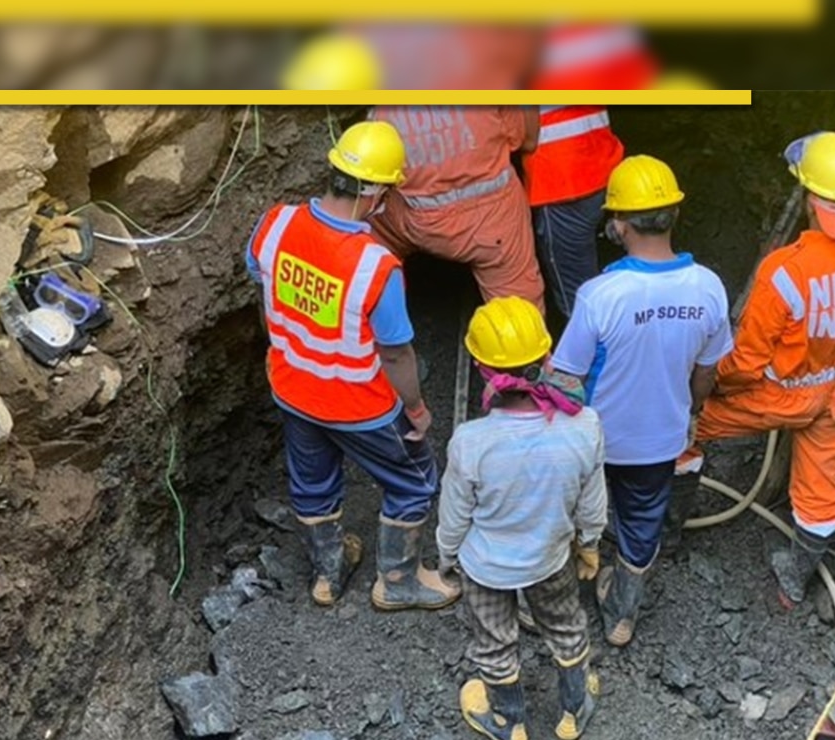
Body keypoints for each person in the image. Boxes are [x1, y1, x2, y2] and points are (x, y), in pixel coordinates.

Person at [681, 131, 835, 611]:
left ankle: (666, 535)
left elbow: (746, 363)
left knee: (678, 431)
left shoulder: (784, 271)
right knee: (821, 490)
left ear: (813, 199)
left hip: (775, 392)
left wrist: (703, 385)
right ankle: (793, 585)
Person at [245, 120, 460, 613]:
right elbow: (396, 353)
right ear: (377, 192)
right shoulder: (374, 266)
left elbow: (265, 294)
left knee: (312, 480)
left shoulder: (275, 224)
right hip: (358, 404)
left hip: (293, 387)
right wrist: (416, 408)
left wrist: (280, 348)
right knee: (414, 482)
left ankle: (329, 571)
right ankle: (399, 582)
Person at [551, 156, 733, 648]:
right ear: (673, 215)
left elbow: (565, 376)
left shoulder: (600, 294)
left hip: (594, 439)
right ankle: (621, 616)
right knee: (640, 525)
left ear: (619, 224)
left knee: (572, 513)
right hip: (659, 441)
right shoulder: (709, 288)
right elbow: (706, 371)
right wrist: (691, 412)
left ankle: (559, 600)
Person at [437, 297, 607, 740]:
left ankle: (508, 722)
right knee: (567, 626)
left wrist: (447, 556)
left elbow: (454, 515)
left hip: (486, 568)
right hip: (550, 559)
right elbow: (592, 501)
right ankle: (574, 708)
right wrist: (589, 543)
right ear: (547, 359)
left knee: (493, 642)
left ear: (480, 368)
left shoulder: (470, 442)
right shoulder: (584, 426)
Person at [365, 105, 547, 313]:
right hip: (491, 224)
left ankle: (376, 312)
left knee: (366, 245)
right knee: (521, 312)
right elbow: (527, 141)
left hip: (409, 219)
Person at [522, 105, 625, 319]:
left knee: (578, 293)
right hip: (604, 161)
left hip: (560, 178)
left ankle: (593, 341)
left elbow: (517, 133)